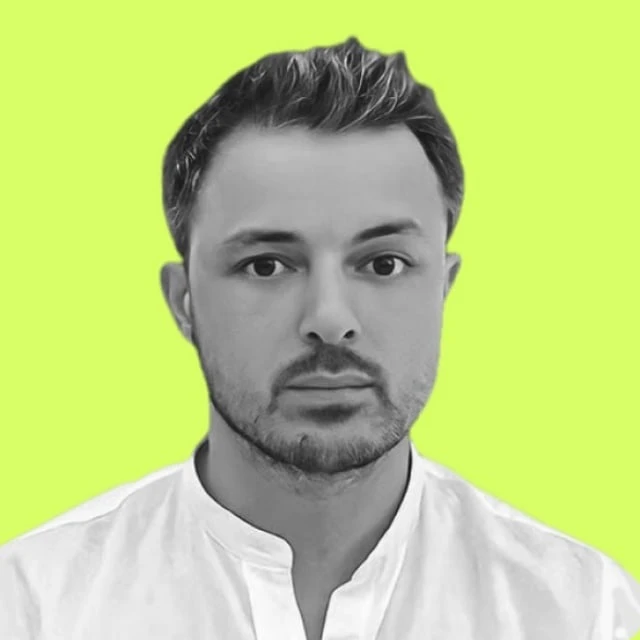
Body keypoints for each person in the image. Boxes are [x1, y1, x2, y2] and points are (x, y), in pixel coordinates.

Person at [1, 37, 639, 640]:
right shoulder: (32, 605)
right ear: (184, 301)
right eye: (266, 265)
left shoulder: (586, 612)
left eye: (383, 263)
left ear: (443, 289)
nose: (330, 320)